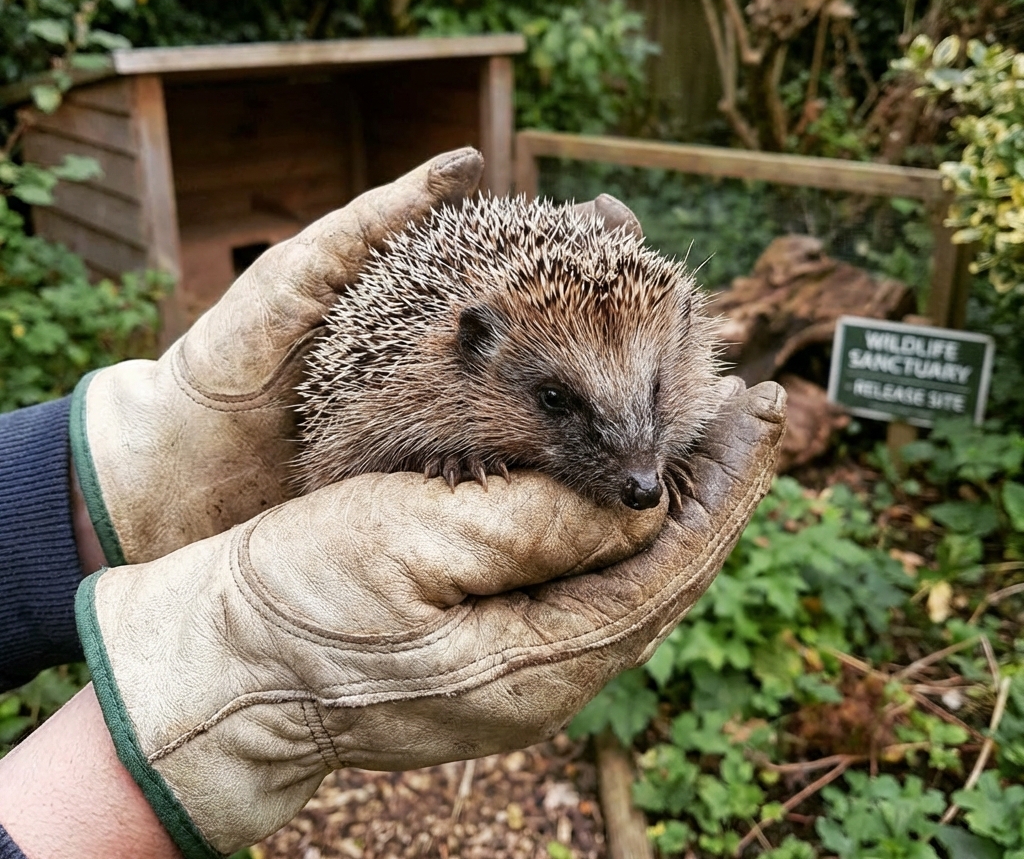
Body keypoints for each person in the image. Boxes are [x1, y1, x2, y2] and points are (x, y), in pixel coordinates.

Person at [0, 149, 785, 859]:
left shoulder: (665, 387)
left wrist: (100, 474)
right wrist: (237, 681)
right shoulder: (412, 390)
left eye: (650, 394)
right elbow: (338, 454)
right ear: (474, 350)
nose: (639, 470)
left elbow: (648, 440)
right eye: (555, 399)